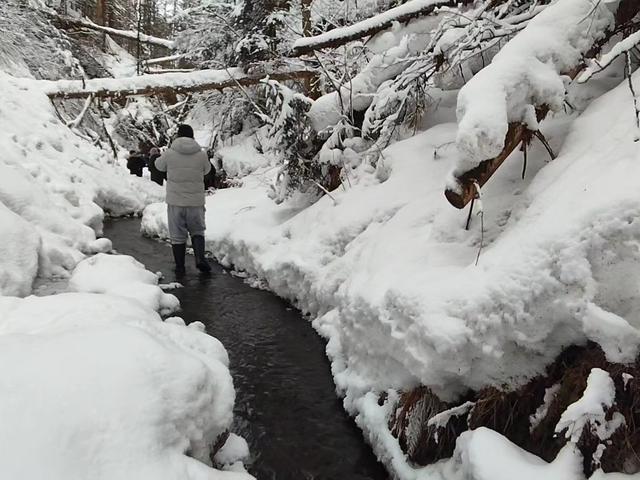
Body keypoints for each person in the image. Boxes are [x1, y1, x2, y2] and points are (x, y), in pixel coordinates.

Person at [156, 124, 212, 275]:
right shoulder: (201, 154)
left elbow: (158, 166)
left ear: (178, 136)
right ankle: (200, 258)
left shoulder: (169, 153)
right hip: (195, 202)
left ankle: (180, 267)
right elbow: (207, 170)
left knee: (177, 235)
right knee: (198, 231)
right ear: (192, 136)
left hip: (176, 202)